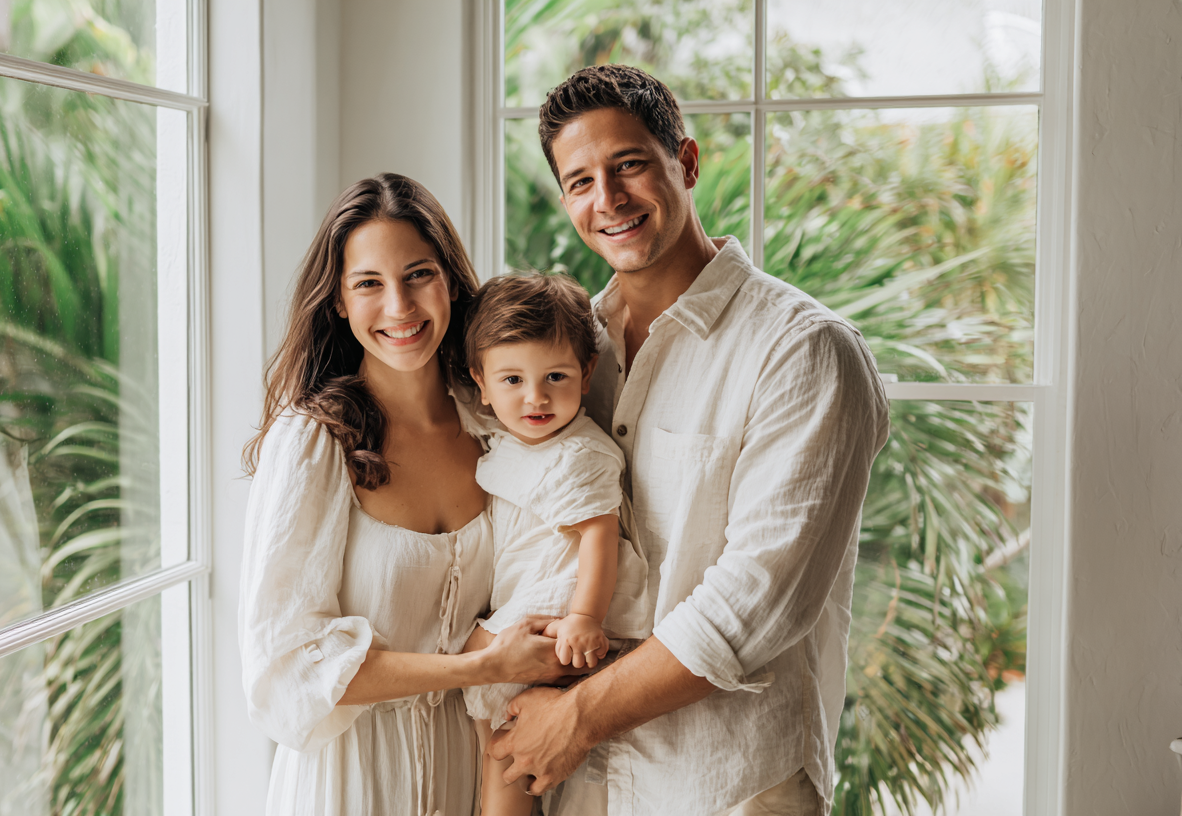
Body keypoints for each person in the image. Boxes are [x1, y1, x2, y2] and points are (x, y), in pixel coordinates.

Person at [487, 65, 891, 816]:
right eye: (579, 181)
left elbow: (754, 605)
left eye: (629, 165)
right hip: (577, 785)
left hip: (725, 787)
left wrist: (575, 716)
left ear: (689, 162)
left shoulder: (803, 351)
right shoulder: (572, 356)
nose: (606, 200)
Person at [239, 173, 577, 816]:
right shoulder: (314, 443)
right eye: (369, 283)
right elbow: (283, 667)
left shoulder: (498, 426)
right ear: (337, 301)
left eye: (418, 274)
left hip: (470, 774)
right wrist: (477, 668)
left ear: (450, 279)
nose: (399, 306)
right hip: (350, 783)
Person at [456, 273, 652, 816]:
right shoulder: (504, 434)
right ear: (482, 382)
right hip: (528, 595)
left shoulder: (579, 454)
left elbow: (598, 536)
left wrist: (584, 615)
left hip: (560, 598)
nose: (535, 397)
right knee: (497, 737)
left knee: (501, 743)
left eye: (556, 376)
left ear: (587, 373)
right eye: (512, 380)